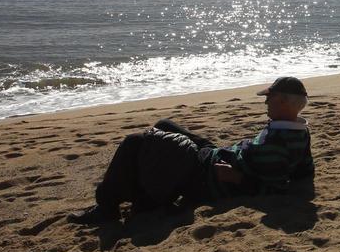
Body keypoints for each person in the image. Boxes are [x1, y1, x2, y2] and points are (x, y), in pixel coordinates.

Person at [67, 76, 314, 226]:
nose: (265, 102)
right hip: (216, 155)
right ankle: (141, 191)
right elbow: (304, 172)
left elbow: (275, 187)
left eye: (269, 98)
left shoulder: (276, 144)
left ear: (282, 102)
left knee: (134, 142)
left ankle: (107, 207)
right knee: (163, 126)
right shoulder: (299, 132)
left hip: (203, 174)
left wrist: (238, 178)